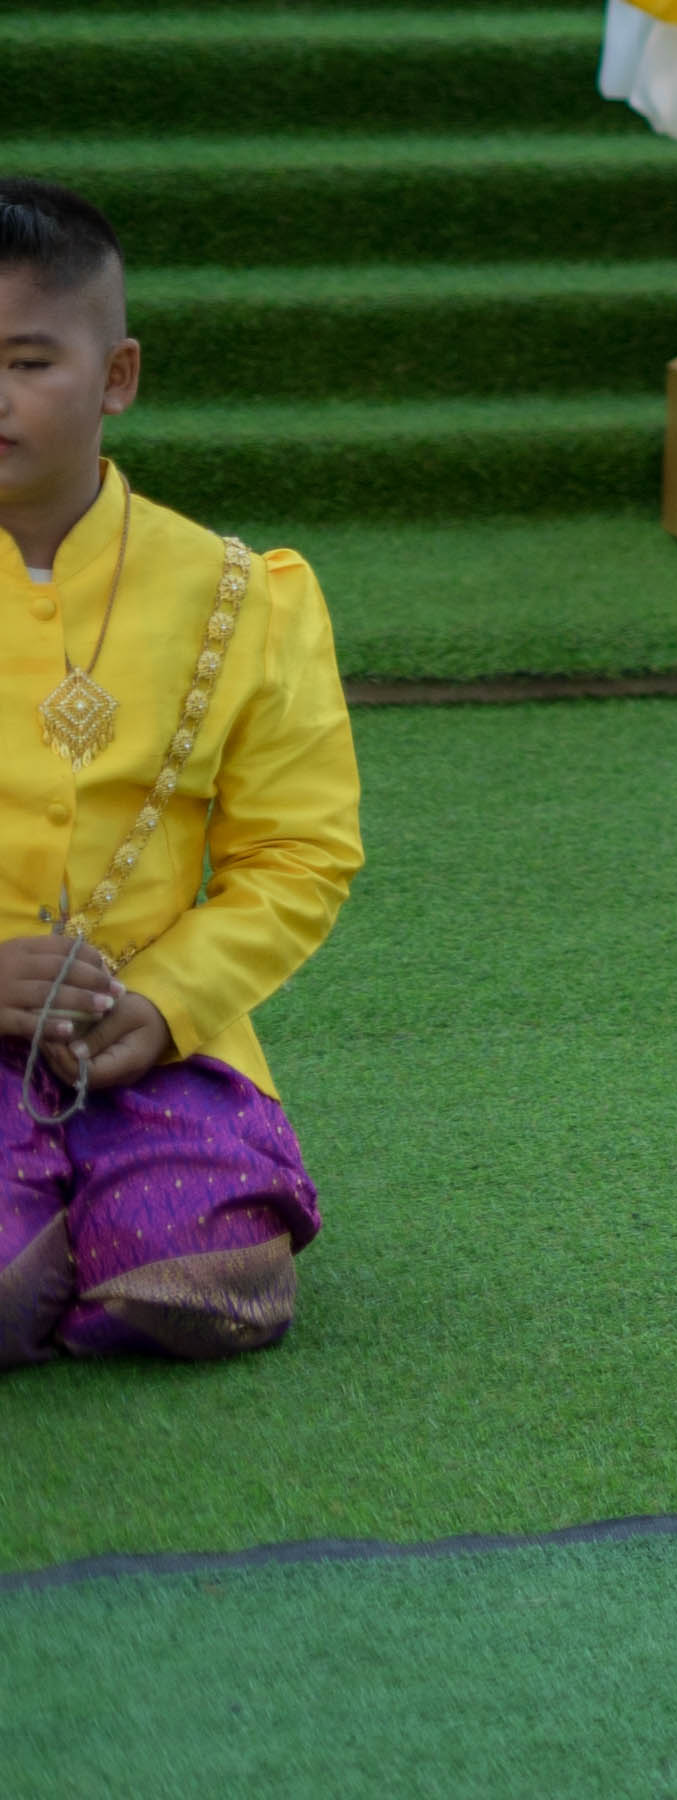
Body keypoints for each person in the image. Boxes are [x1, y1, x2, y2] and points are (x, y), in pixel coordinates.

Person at [0, 178, 361, 1365]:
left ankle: (80, 1233)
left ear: (117, 377)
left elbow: (298, 853)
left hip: (146, 1035)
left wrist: (168, 1002)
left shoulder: (239, 594)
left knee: (204, 1273)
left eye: (25, 360)